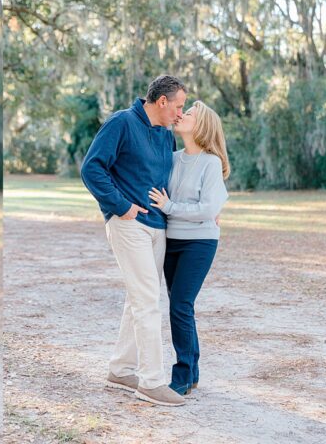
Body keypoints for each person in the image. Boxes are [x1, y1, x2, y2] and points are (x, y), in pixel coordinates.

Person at [80, 74, 186, 407]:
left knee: (138, 299)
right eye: (179, 106)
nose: (180, 114)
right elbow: (91, 168)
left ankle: (120, 369)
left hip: (158, 226)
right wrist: (121, 206)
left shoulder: (165, 135)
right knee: (147, 301)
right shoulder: (122, 123)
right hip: (129, 225)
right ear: (163, 101)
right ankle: (151, 382)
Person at [147, 101, 229, 396]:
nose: (180, 114)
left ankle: (181, 374)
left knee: (180, 304)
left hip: (200, 242)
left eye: (188, 113)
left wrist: (169, 207)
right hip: (172, 241)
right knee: (182, 306)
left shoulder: (210, 162)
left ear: (202, 125)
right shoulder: (172, 158)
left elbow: (208, 209)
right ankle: (192, 371)